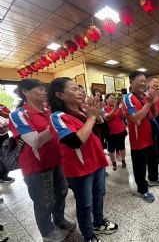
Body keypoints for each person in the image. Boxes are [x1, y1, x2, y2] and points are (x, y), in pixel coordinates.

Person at [48, 77, 118, 242]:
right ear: (59, 95)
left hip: (97, 162)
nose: (80, 91)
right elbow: (74, 141)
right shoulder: (58, 116)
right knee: (85, 204)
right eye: (73, 89)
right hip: (79, 169)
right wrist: (92, 117)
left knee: (99, 195)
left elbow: (104, 132)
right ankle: (88, 235)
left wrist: (97, 116)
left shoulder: (83, 110)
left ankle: (99, 223)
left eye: (79, 88)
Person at [9, 79, 75, 242]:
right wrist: (55, 125)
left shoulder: (48, 110)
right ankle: (47, 232)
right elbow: (35, 141)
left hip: (57, 160)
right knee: (44, 201)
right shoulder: (19, 115)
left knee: (61, 192)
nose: (45, 92)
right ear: (25, 92)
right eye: (40, 89)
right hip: (36, 166)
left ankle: (59, 220)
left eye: (45, 89)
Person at [123, 71, 159, 203]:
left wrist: (153, 103)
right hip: (138, 140)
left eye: (144, 81)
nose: (143, 83)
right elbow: (136, 119)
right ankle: (142, 190)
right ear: (131, 82)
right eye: (139, 80)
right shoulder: (128, 98)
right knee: (140, 166)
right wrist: (148, 103)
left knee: (153, 160)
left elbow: (155, 114)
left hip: (149, 137)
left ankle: (153, 178)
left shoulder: (145, 96)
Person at [101, 93, 127, 170]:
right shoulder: (104, 109)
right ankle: (114, 163)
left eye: (114, 98)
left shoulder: (119, 107)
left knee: (122, 146)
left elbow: (124, 117)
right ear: (106, 100)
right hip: (110, 133)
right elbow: (107, 117)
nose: (113, 99)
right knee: (111, 149)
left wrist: (121, 108)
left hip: (121, 131)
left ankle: (123, 160)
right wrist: (115, 109)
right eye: (111, 98)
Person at [0, 104, 15, 183]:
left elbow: (9, 115)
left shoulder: (1, 106)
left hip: (3, 134)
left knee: (5, 154)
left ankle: (3, 175)